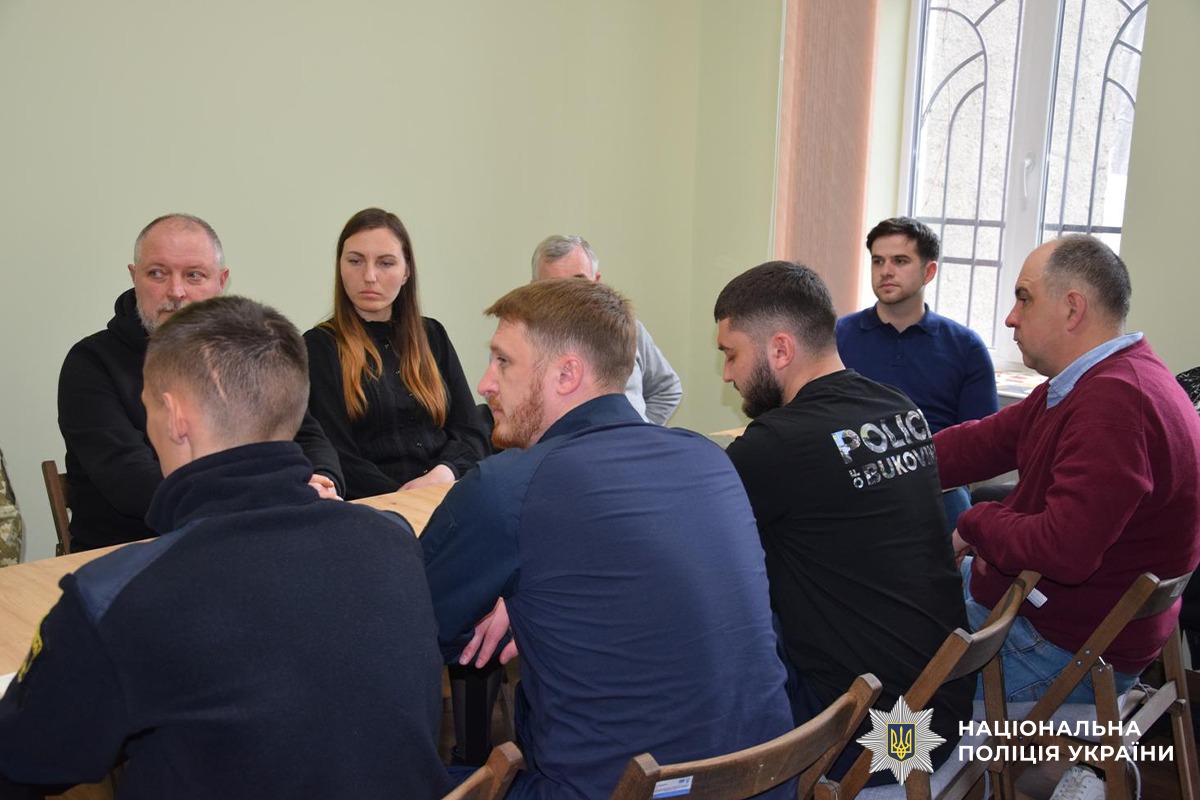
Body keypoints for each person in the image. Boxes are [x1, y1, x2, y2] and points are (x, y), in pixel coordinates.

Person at [1, 296, 450, 799]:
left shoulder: (116, 597)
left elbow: (24, 758)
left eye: (149, 406)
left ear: (175, 417)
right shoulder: (393, 540)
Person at [421, 278, 794, 799]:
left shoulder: (510, 488)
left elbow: (402, 630)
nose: (485, 384)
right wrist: (527, 602)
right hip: (765, 778)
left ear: (567, 373)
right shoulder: (708, 459)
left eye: (503, 361)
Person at [714, 261, 972, 777]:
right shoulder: (898, 407)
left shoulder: (776, 444)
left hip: (884, 743)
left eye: (731, 354)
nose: (727, 374)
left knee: (707, 649)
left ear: (780, 349)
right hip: (942, 711)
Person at [935, 235, 1200, 705]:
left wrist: (974, 523)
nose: (1011, 317)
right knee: (899, 602)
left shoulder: (1114, 402)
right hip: (1078, 625)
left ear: (1073, 309)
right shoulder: (1106, 378)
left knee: (890, 668)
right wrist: (888, 458)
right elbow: (984, 442)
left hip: (1062, 647)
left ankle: (902, 753)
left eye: (1024, 298)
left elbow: (1064, 551)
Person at [58, 213, 344, 551]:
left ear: (221, 282)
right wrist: (274, 496)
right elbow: (131, 481)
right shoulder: (91, 363)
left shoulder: (244, 351)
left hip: (249, 538)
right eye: (157, 273)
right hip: (131, 552)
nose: (176, 292)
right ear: (135, 277)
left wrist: (323, 483)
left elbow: (306, 434)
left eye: (194, 275)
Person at [305, 208, 489, 500]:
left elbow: (472, 432)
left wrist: (443, 473)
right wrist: (404, 498)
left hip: (447, 493)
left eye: (386, 263)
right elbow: (336, 454)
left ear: (406, 272)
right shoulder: (320, 346)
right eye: (355, 261)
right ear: (340, 267)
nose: (369, 276)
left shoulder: (433, 336)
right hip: (373, 505)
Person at [836, 217, 997, 528]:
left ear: (929, 271)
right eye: (878, 261)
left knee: (961, 521)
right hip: (853, 478)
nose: (886, 271)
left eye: (900, 261)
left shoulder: (965, 346)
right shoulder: (838, 336)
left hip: (935, 486)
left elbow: (983, 444)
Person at [532, 234, 682, 424]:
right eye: (555, 286)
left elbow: (667, 389)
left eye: (579, 282)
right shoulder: (521, 342)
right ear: (534, 290)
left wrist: (642, 428)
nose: (570, 294)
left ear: (597, 282)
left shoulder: (627, 329)